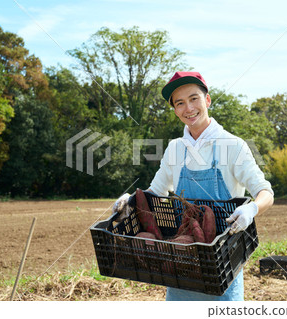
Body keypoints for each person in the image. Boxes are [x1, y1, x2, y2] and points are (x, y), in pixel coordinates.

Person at [113, 71, 274, 301]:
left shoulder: (233, 145)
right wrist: (128, 200)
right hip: (179, 266)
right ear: (175, 110)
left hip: (223, 268)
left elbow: (265, 192)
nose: (188, 108)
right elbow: (154, 193)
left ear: (207, 100)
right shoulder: (175, 149)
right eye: (180, 103)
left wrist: (252, 208)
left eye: (194, 98)